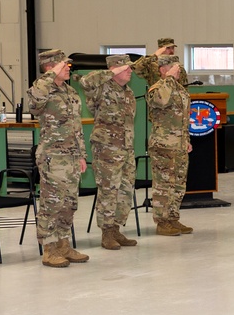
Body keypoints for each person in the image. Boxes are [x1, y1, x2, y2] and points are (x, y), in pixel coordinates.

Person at [27, 49, 89, 267]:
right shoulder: (42, 89)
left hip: (72, 156)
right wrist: (49, 76)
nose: (68, 68)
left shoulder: (70, 92)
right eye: (64, 65)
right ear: (50, 67)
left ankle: (63, 244)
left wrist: (82, 154)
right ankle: (49, 249)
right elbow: (34, 106)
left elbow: (77, 127)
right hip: (53, 155)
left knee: (69, 203)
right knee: (52, 204)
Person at [80, 54, 139, 250]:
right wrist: (110, 72)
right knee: (109, 190)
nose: (130, 71)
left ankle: (115, 228)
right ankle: (106, 233)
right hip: (107, 148)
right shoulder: (101, 88)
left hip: (126, 147)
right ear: (116, 69)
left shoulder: (128, 92)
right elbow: (85, 82)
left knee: (125, 189)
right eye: (126, 68)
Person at [147, 54, 193, 236]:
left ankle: (173, 218)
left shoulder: (180, 90)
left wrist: (186, 139)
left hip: (179, 145)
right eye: (174, 68)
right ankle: (162, 222)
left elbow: (183, 118)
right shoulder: (158, 88)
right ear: (163, 70)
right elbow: (161, 101)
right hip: (163, 145)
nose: (178, 71)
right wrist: (168, 79)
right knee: (163, 185)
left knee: (178, 184)